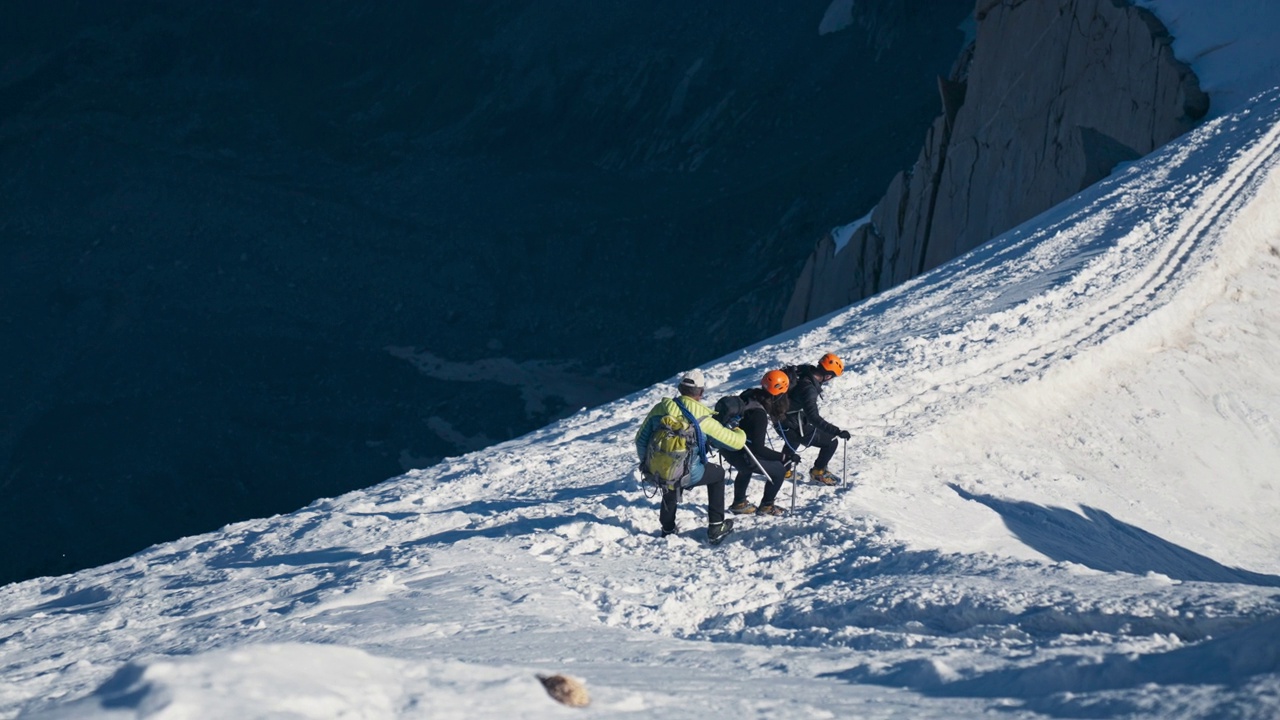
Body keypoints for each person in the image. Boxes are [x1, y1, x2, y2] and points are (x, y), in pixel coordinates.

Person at [635, 369, 746, 544]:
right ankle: (716, 526)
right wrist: (738, 429)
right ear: (701, 392)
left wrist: (648, 463)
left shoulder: (660, 409)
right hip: (690, 472)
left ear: (680, 388)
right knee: (717, 475)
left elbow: (640, 440)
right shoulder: (703, 418)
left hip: (659, 468)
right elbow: (735, 443)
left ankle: (667, 529)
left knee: (669, 479)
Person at [720, 370, 794, 516]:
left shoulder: (748, 395)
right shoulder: (759, 414)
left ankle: (739, 503)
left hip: (728, 447)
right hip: (742, 452)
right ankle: (767, 506)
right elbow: (758, 449)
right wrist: (784, 458)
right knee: (779, 471)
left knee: (745, 469)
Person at [779, 353, 851, 486]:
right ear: (828, 375)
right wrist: (836, 431)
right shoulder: (809, 389)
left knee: (793, 439)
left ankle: (784, 471)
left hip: (781, 420)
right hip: (793, 424)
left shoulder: (802, 372)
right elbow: (813, 417)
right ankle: (818, 473)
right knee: (831, 442)